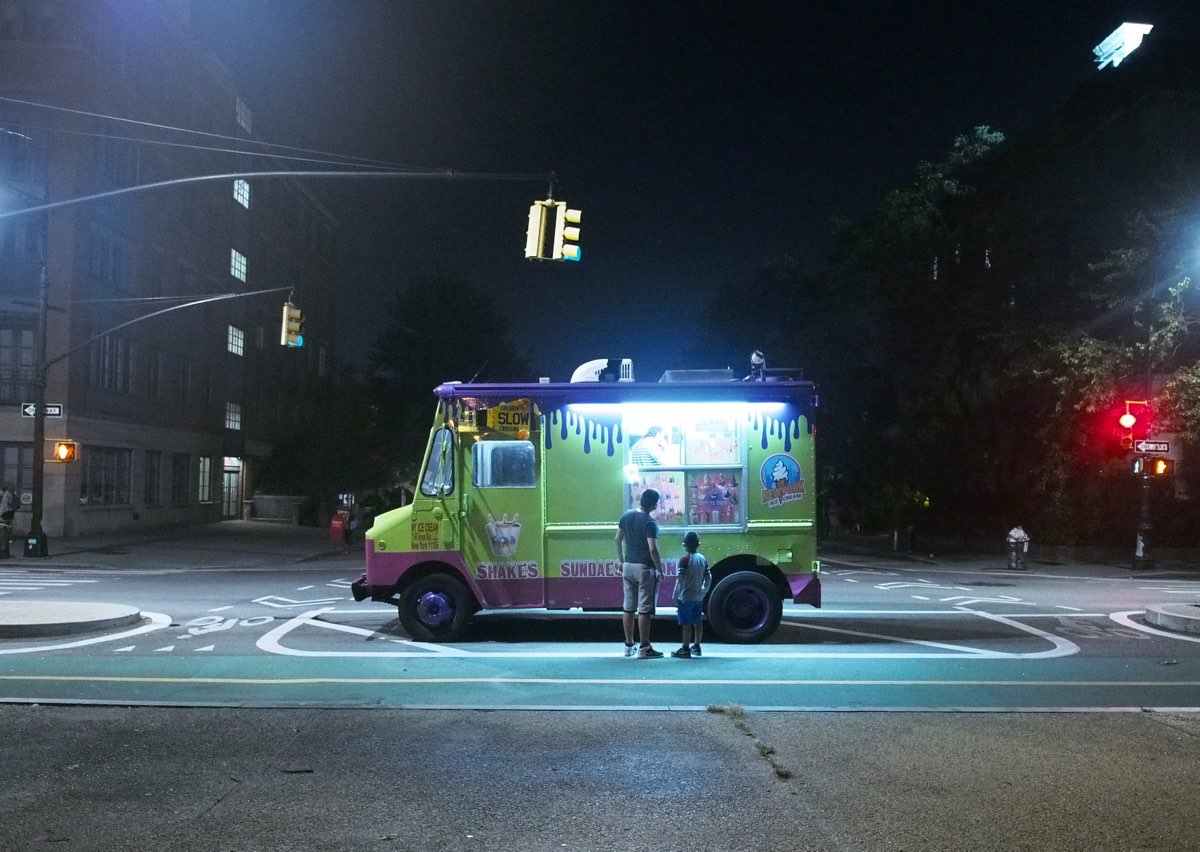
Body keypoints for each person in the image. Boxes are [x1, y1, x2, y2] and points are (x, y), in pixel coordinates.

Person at [615, 487, 664, 658]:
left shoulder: (627, 515)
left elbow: (617, 539)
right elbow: (653, 549)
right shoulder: (649, 522)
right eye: (656, 503)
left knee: (628, 608)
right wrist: (660, 569)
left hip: (628, 567)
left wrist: (621, 561)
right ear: (652, 504)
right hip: (644, 568)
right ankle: (644, 647)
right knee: (644, 610)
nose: (657, 506)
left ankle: (629, 646)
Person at [671, 531, 711, 658]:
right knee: (697, 622)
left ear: (685, 546)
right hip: (698, 597)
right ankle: (697, 646)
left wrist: (676, 594)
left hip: (686, 598)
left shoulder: (684, 560)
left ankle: (685, 648)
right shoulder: (702, 559)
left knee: (686, 624)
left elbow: (680, 580)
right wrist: (704, 590)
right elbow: (708, 576)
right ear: (698, 544)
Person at [0, 485, 16, 558]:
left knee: (3, 535)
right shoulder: (10, 495)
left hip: (4, 517)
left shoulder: (5, 495)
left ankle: (4, 553)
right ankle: (4, 552)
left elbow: (4, 508)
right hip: (6, 516)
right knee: (5, 536)